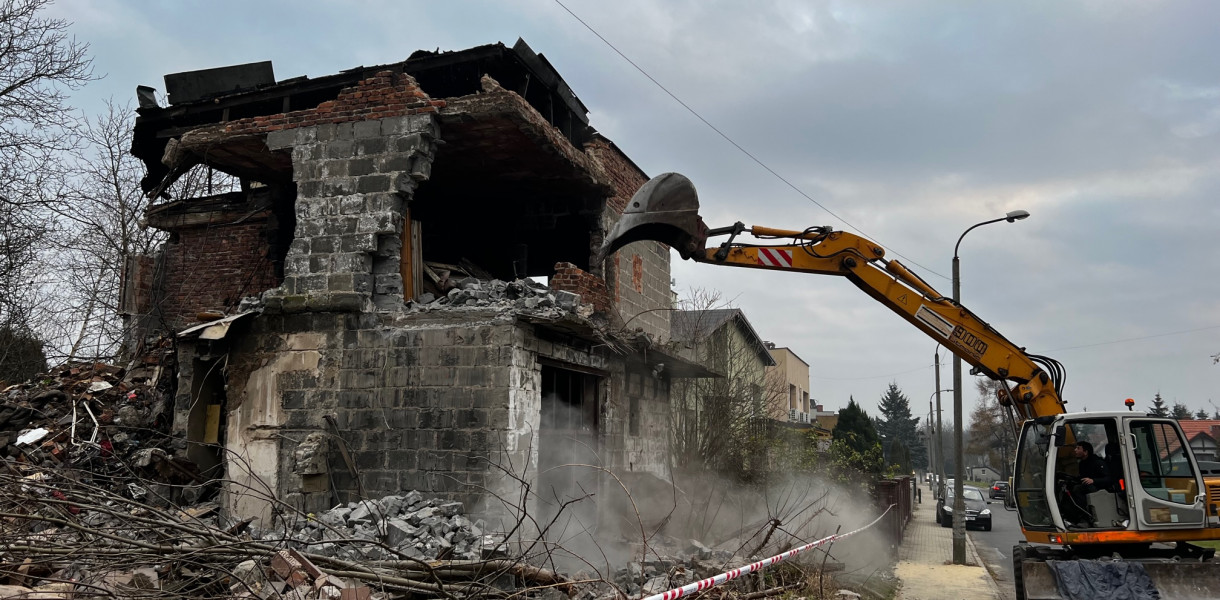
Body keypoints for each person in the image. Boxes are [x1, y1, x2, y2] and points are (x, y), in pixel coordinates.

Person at [1060, 441, 1111, 526]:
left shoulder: (1098, 462)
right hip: (1087, 486)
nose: (1075, 450)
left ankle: (1085, 518)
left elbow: (1108, 479)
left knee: (1078, 489)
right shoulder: (1082, 464)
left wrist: (1093, 480)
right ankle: (1069, 516)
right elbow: (1081, 478)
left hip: (1099, 488)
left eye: (1078, 448)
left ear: (1085, 452)